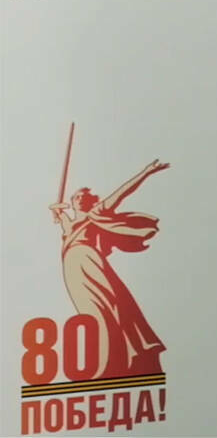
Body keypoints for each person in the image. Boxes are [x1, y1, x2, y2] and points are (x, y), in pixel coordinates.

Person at [50, 159, 170, 379]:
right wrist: (56, 210)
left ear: (91, 202)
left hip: (89, 262)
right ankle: (104, 360)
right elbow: (58, 214)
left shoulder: (97, 213)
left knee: (108, 307)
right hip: (72, 269)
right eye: (76, 197)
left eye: (84, 197)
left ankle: (115, 360)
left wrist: (145, 172)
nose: (80, 199)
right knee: (89, 311)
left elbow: (122, 192)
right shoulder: (68, 224)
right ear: (72, 203)